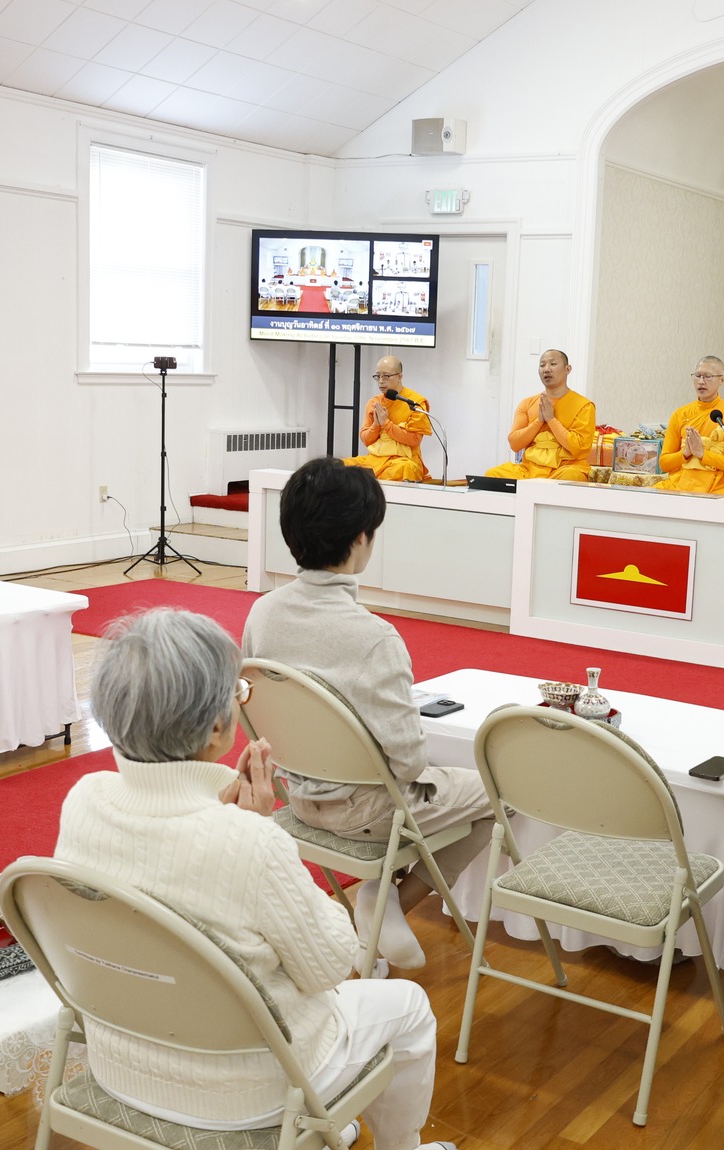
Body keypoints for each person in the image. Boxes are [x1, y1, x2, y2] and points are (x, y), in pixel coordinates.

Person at [55, 608, 456, 1150]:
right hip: (246, 1094)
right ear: (219, 727)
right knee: (408, 1007)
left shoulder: (83, 801)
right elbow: (332, 967)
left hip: (117, 1062)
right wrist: (263, 834)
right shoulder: (250, 841)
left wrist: (235, 828)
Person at [241, 457, 492, 970]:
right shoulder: (374, 637)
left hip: (298, 797)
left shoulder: (261, 613)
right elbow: (406, 763)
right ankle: (386, 898)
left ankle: (380, 901)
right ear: (360, 539)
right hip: (370, 815)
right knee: (500, 792)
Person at [483, 349, 595, 482]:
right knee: (493, 474)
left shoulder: (584, 405)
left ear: (567, 369)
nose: (546, 369)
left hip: (564, 468)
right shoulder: (527, 403)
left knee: (571, 477)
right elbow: (515, 444)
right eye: (542, 365)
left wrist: (551, 420)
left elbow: (579, 448)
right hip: (530, 468)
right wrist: (538, 421)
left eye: (553, 364)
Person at [654, 355, 724, 494]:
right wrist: (686, 453)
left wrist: (703, 454)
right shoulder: (681, 414)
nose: (701, 382)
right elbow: (664, 463)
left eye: (708, 377)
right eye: (697, 376)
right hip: (678, 487)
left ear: (722, 380)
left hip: (716, 490)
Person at [343, 356, 432, 483]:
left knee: (403, 469)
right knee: (342, 465)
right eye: (377, 376)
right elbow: (366, 440)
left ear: (399, 377)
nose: (381, 381)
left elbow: (414, 440)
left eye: (386, 376)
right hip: (375, 459)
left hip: (404, 460)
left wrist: (386, 423)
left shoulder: (414, 403)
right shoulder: (375, 402)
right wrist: (376, 424)